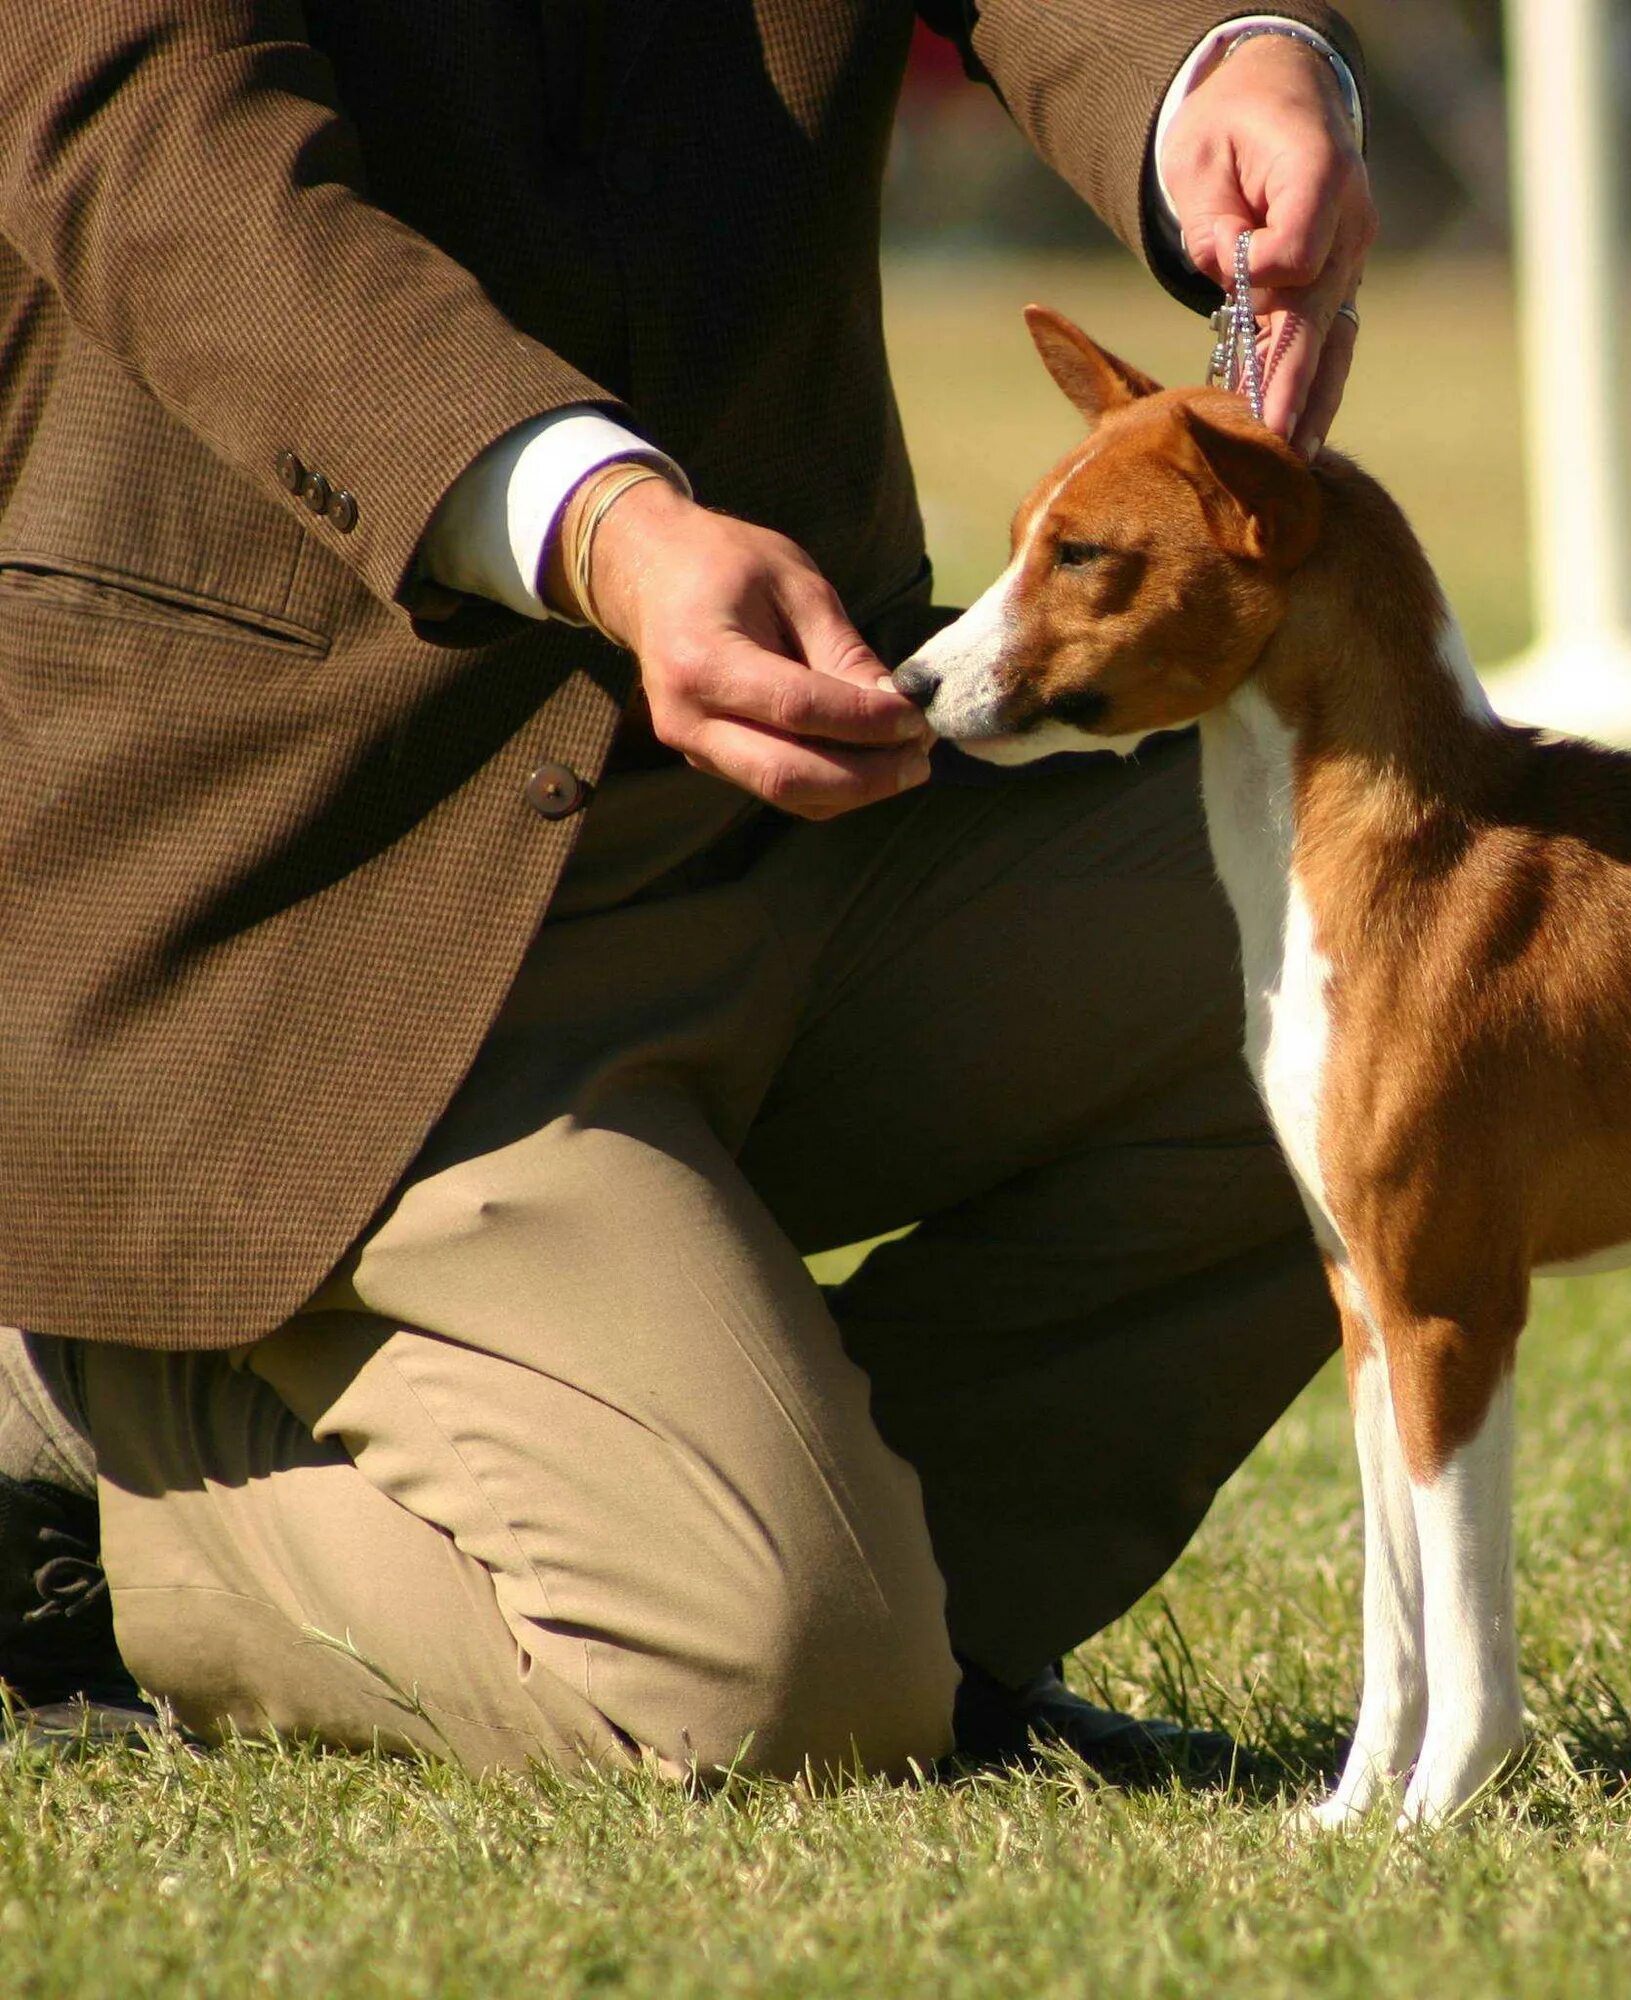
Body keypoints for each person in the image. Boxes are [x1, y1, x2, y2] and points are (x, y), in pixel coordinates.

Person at [0, 3, 1374, 1778]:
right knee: (765, 1690)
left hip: (823, 800)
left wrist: (1229, 58)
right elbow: (158, 148)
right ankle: (102, 1449)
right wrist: (599, 524)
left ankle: (875, 1629)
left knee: (1424, 968)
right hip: (301, 884)